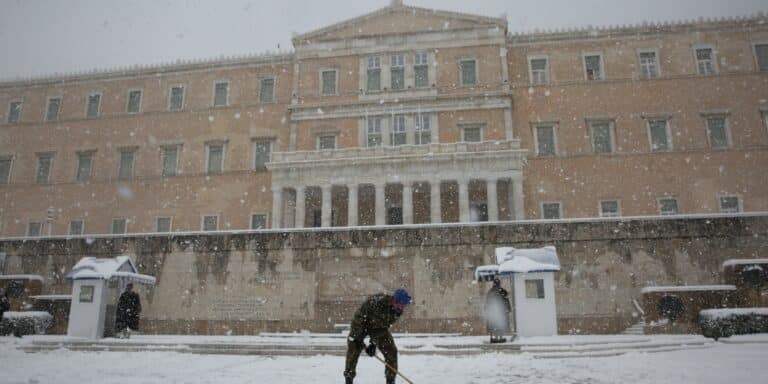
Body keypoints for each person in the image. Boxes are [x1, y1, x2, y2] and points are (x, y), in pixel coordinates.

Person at [344, 288, 412, 384]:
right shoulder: (378, 302)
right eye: (402, 304)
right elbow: (357, 319)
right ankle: (348, 379)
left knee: (391, 350)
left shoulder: (397, 311)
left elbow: (382, 327)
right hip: (361, 323)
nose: (403, 307)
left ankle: (390, 380)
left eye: (405, 305)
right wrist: (357, 338)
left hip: (378, 328)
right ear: (395, 300)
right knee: (353, 349)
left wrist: (373, 344)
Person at [484, 278, 511, 343]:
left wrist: (486, 309)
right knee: (500, 325)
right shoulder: (502, 291)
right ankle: (500, 337)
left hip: (493, 312)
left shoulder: (490, 291)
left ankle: (494, 337)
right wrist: (508, 309)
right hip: (501, 311)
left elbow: (487, 302)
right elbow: (506, 300)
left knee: (493, 325)